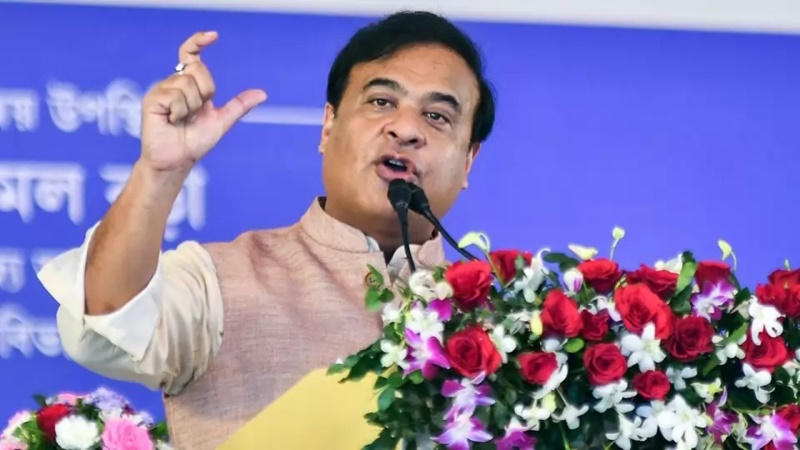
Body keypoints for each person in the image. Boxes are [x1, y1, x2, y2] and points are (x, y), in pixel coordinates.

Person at [37, 10, 496, 449]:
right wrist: (159, 173)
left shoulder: (501, 330)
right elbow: (103, 325)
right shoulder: (218, 281)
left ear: (468, 161)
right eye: (381, 102)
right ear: (328, 125)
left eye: (437, 116)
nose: (406, 128)